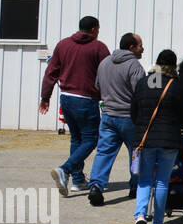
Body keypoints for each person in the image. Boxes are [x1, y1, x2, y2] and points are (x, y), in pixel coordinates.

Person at [129, 49, 183, 224]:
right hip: (169, 140)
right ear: (174, 66)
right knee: (163, 182)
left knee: (144, 180)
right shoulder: (176, 85)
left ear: (156, 63)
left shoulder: (144, 83)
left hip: (145, 139)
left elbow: (134, 111)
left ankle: (140, 216)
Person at [41, 16, 110, 197]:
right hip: (86, 99)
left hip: (66, 97)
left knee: (76, 139)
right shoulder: (99, 47)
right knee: (91, 139)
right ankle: (65, 169)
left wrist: (45, 97)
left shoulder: (63, 45)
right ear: (94, 29)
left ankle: (78, 180)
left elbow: (51, 72)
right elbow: (107, 74)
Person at [87, 32, 145, 205]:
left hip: (108, 115)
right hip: (129, 117)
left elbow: (97, 85)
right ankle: (135, 186)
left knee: (104, 152)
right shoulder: (134, 65)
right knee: (136, 152)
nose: (143, 49)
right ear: (131, 48)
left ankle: (96, 186)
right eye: (140, 45)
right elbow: (140, 92)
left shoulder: (104, 62)